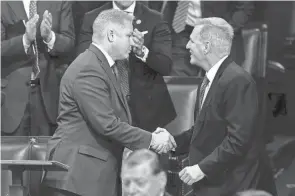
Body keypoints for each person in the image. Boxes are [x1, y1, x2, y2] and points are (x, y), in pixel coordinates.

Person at [41, 9, 176, 196]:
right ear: (111, 35)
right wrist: (152, 139)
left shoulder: (103, 66)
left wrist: (151, 135)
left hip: (90, 177)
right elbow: (107, 125)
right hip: (76, 178)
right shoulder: (88, 68)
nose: (132, 41)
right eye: (128, 35)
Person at [168, 17, 277, 196]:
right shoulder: (211, 79)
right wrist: (170, 142)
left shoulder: (237, 80)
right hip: (213, 179)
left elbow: (238, 141)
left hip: (231, 185)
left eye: (192, 41)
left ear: (207, 46)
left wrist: (201, 169)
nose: (187, 45)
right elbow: (205, 129)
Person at [77, 1, 177, 133]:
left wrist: (142, 52)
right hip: (106, 105)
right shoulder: (92, 17)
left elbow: (165, 66)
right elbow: (83, 59)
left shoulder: (155, 18)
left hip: (147, 110)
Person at [1, 0, 75, 136]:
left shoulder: (61, 2)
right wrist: (24, 40)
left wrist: (50, 37)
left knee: (47, 154)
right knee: (11, 155)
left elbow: (69, 44)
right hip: (12, 98)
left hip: (48, 97)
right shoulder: (3, 4)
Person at [150, 1, 254, 76]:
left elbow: (244, 8)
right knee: (177, 84)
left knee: (219, 90)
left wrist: (224, 31)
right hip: (183, 31)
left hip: (219, 34)